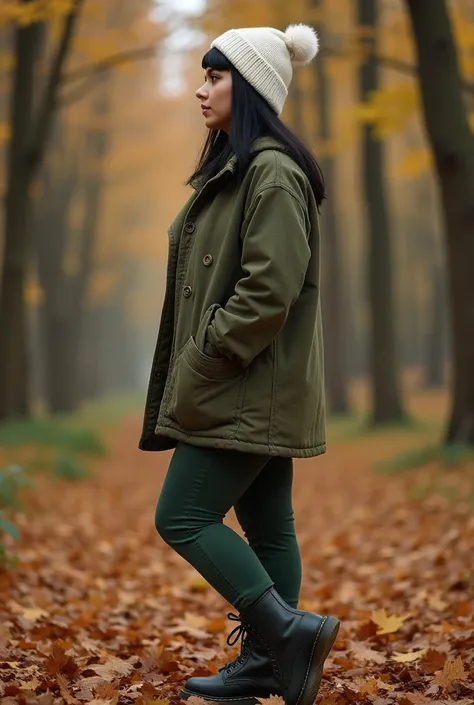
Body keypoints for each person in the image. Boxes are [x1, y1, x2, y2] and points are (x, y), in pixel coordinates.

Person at [139, 22, 339, 705]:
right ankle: (271, 662)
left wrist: (206, 356)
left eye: (216, 77)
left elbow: (267, 289)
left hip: (244, 381)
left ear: (248, 87)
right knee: (269, 525)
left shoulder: (272, 174)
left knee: (182, 516)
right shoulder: (242, 165)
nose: (201, 90)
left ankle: (287, 632)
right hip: (251, 383)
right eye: (202, 75)